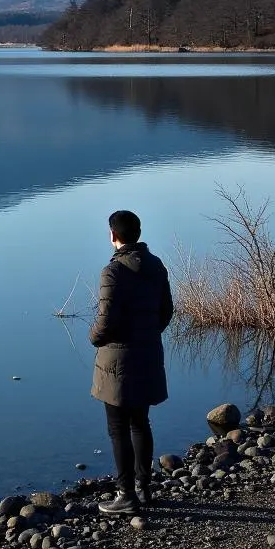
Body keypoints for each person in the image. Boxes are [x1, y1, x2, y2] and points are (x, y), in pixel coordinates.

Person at [89, 209, 174, 515]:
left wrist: (94, 338)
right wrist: (148, 334)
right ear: (138, 233)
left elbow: (106, 322)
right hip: (148, 354)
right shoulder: (155, 265)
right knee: (140, 423)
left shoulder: (113, 272)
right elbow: (167, 311)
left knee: (117, 428)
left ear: (114, 236)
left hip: (117, 361)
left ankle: (126, 495)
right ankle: (145, 488)